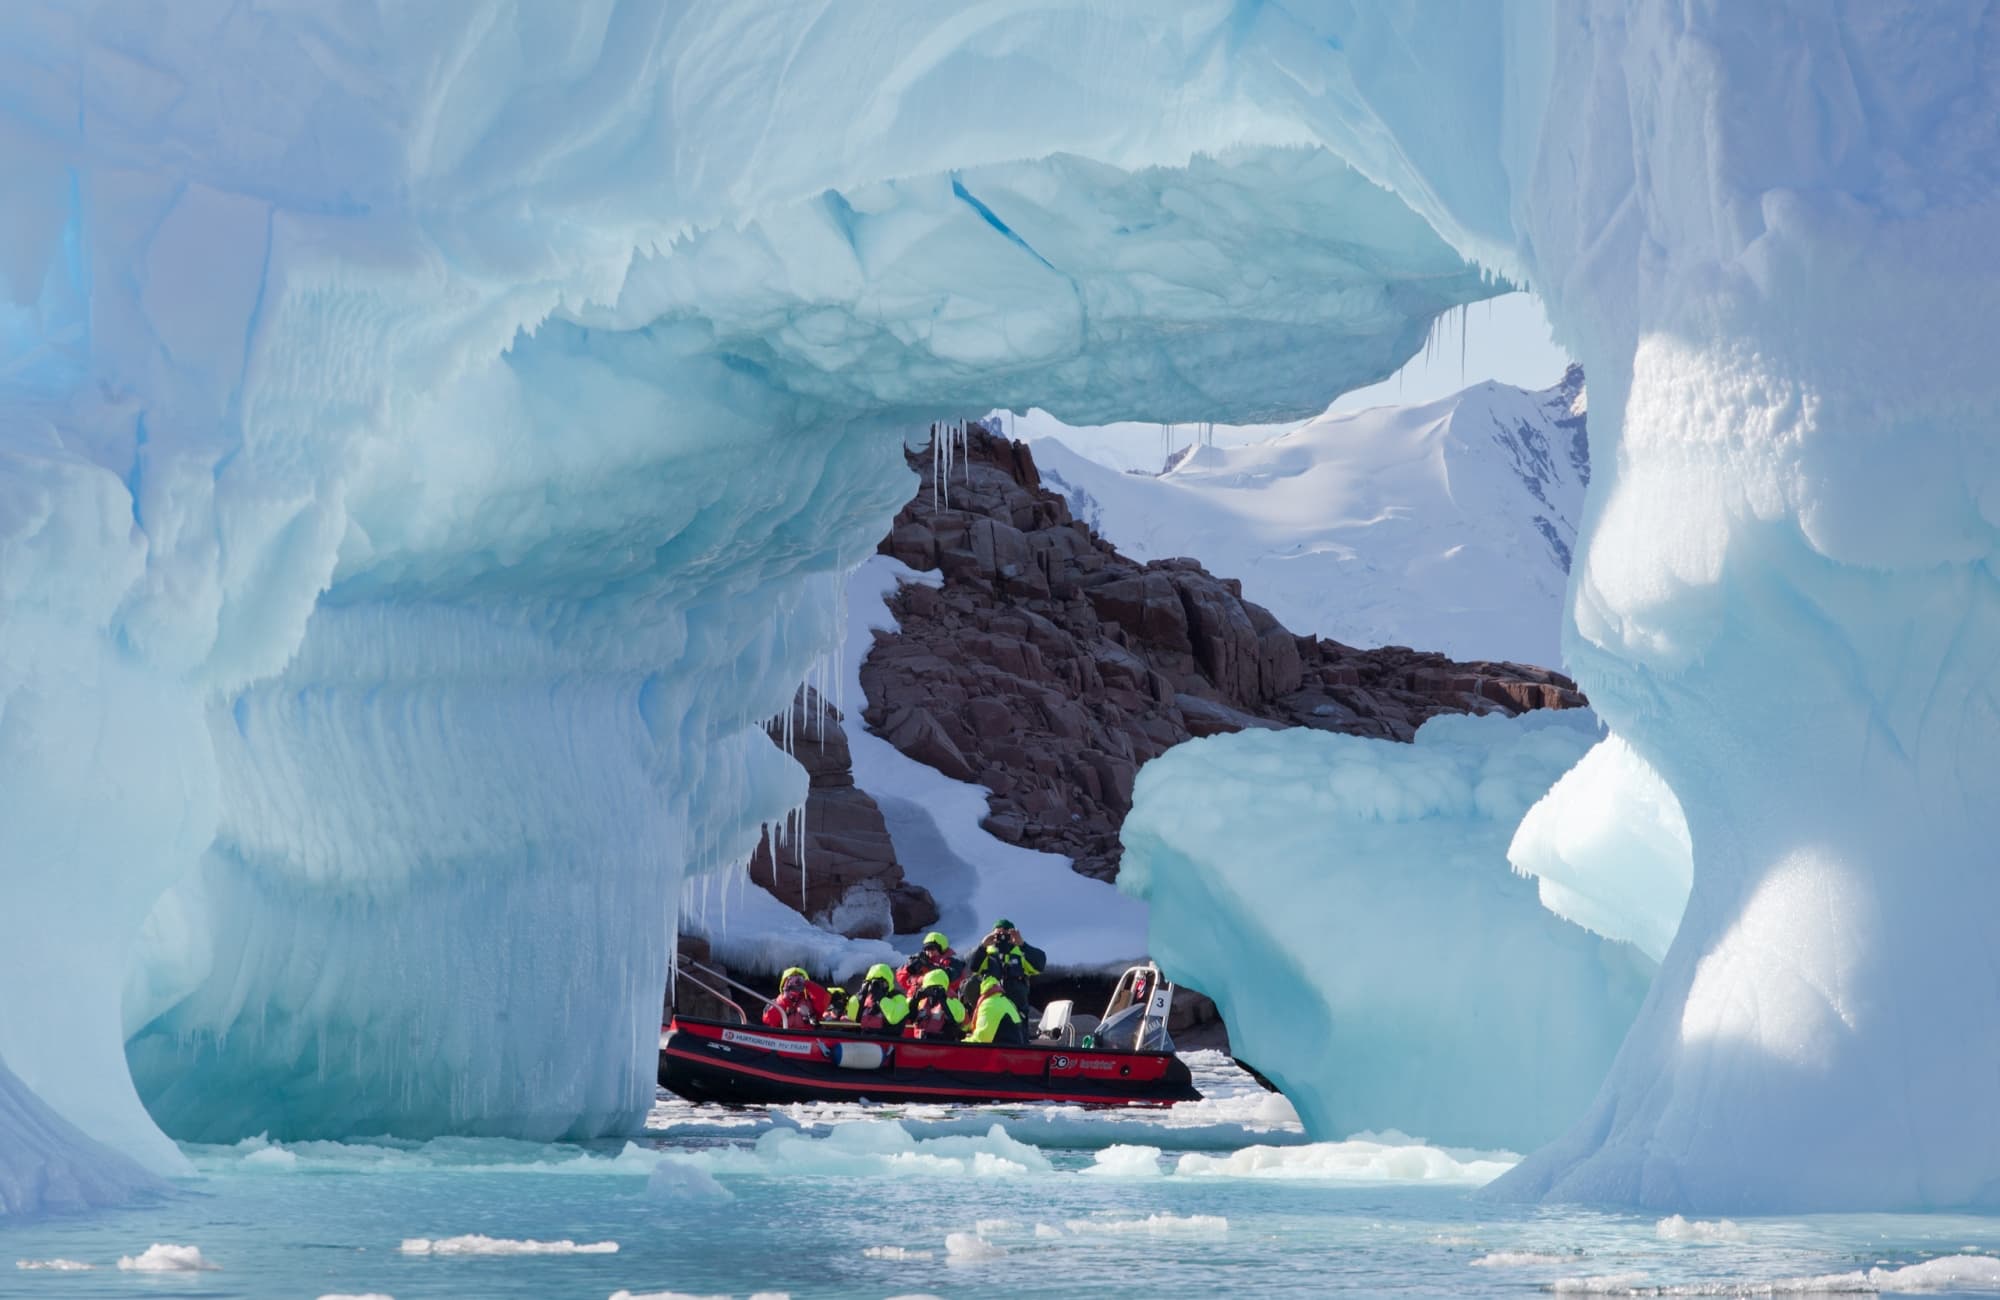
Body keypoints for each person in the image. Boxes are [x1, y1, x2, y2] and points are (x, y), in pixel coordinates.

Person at [970, 918, 1045, 1012]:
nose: (1002, 937)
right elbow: (973, 966)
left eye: (1006, 934)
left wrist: (1022, 945)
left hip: (1017, 1010)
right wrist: (982, 946)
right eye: (998, 934)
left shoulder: (1021, 954)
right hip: (992, 1010)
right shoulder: (986, 955)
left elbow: (1040, 964)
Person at [903, 968, 967, 1041]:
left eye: (936, 988)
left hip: (944, 1046)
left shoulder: (952, 1003)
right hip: (920, 1045)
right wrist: (915, 999)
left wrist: (943, 1001)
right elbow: (904, 1013)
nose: (933, 991)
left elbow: (960, 1017)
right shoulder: (920, 1002)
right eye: (930, 988)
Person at [849, 963, 911, 1037]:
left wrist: (881, 999)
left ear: (888, 983)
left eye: (881, 982)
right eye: (872, 983)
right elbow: (851, 1017)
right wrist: (861, 995)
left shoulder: (898, 998)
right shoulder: (864, 999)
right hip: (864, 1042)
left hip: (887, 1043)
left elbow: (894, 1018)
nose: (876, 986)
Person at [897, 931, 965, 996]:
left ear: (941, 948)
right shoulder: (923, 961)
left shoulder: (953, 961)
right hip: (917, 1000)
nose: (929, 952)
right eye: (926, 949)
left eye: (932, 948)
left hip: (943, 1000)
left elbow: (950, 977)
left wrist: (929, 967)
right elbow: (902, 979)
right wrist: (909, 964)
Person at [761, 966, 829, 1030]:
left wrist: (807, 984)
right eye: (790, 979)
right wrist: (784, 1000)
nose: (795, 983)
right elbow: (768, 1022)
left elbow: (824, 999)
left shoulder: (812, 1001)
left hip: (807, 1038)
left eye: (799, 979)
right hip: (783, 1038)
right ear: (784, 983)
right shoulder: (775, 1002)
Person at [966, 975, 1026, 1046]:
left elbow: (981, 1041)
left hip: (1003, 1054)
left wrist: (960, 1043)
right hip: (1011, 1052)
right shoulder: (1001, 1000)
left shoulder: (989, 1004)